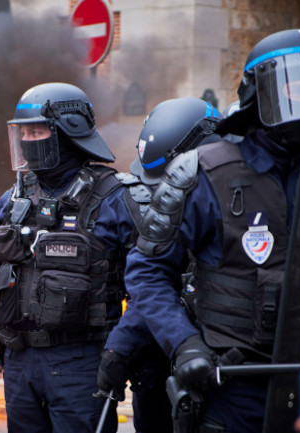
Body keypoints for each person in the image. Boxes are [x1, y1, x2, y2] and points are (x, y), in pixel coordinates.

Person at [104, 28, 300, 433]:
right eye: (298, 86)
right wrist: (183, 344)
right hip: (236, 388)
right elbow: (148, 272)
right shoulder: (202, 173)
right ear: (260, 93)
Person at [0, 82, 136, 433]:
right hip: (19, 364)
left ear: (67, 134)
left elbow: (146, 287)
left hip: (81, 363)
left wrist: (122, 353)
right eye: (23, 132)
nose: (27, 140)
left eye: (37, 131)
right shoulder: (11, 202)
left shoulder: (114, 200)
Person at [96, 96, 221, 433]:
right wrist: (121, 348)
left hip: (225, 370)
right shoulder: (158, 210)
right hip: (160, 367)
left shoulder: (229, 199)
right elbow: (153, 284)